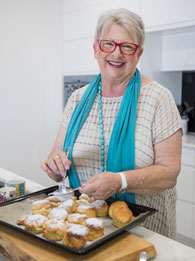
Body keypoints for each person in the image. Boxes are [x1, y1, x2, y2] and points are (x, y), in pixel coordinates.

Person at [41, 8, 182, 239]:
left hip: (144, 231)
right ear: (96, 49)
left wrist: (120, 181)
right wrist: (54, 166)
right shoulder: (77, 99)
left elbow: (169, 174)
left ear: (139, 54)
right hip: (86, 228)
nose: (117, 54)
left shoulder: (158, 98)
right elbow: (58, 156)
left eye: (127, 46)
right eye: (108, 44)